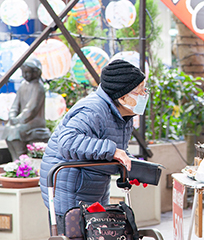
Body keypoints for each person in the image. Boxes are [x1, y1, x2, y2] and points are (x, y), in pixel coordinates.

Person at [39, 59, 148, 235]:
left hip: (93, 189)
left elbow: (109, 151)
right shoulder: (93, 109)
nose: (145, 94)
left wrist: (129, 168)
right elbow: (67, 141)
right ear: (122, 96)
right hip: (69, 190)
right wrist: (113, 151)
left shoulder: (124, 115)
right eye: (141, 90)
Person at [3, 58, 50, 161]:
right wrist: (12, 116)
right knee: (7, 129)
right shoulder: (23, 86)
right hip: (23, 120)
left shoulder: (39, 87)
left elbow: (31, 109)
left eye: (28, 72)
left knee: (16, 130)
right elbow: (16, 105)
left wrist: (19, 119)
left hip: (34, 121)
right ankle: (15, 159)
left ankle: (21, 158)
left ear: (36, 73)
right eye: (24, 72)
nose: (25, 75)